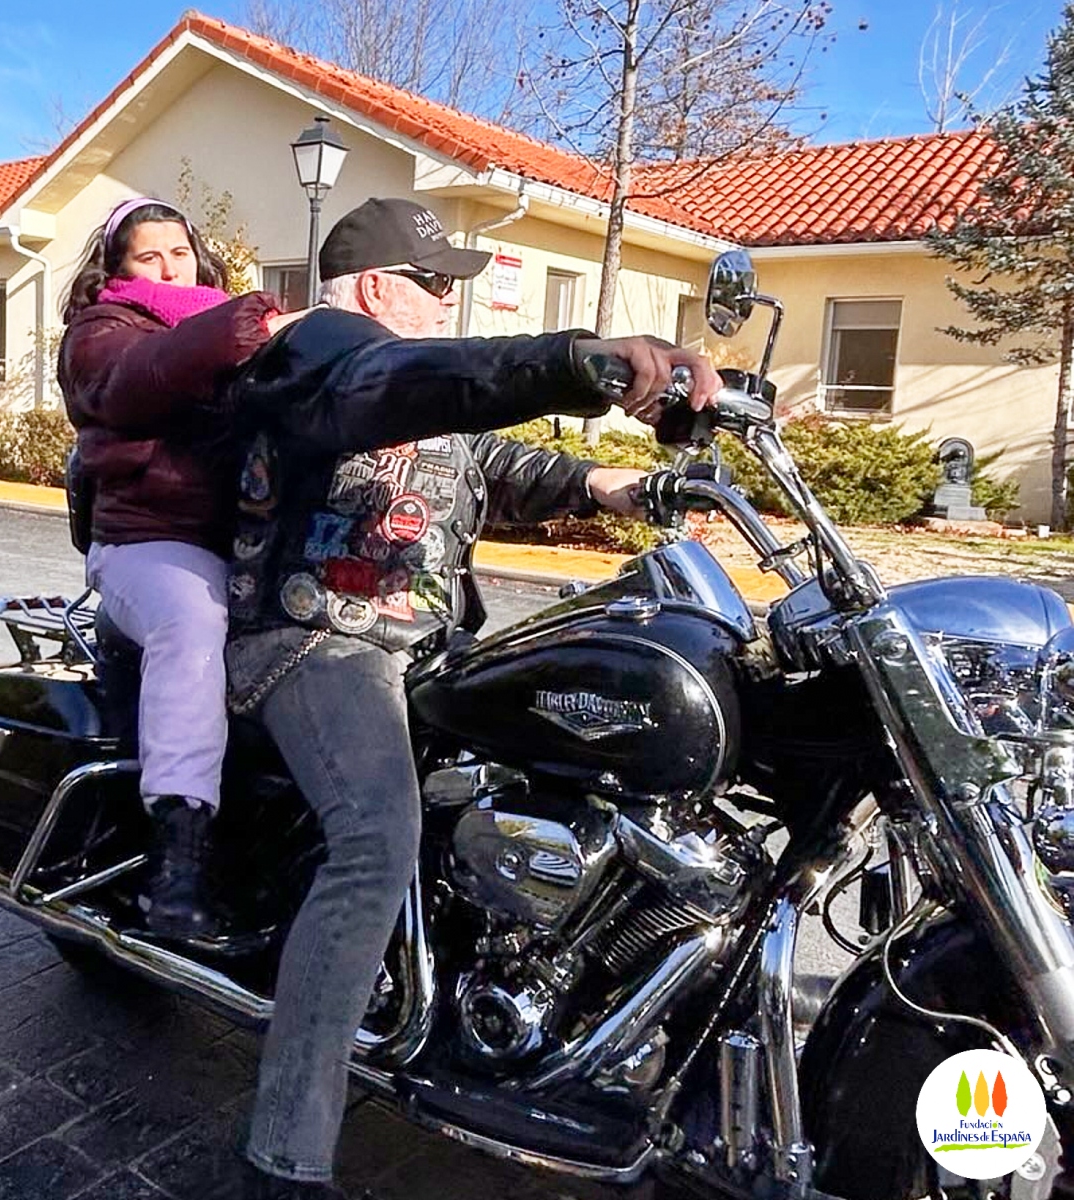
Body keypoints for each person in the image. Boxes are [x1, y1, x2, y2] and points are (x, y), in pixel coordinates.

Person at [217, 197, 721, 1199]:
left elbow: (488, 461)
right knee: (375, 843)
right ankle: (285, 1153)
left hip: (421, 648)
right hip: (315, 637)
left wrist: (611, 484)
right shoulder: (319, 354)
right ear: (372, 286)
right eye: (434, 283)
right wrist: (582, 360)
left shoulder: (411, 393)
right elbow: (428, 381)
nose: (450, 302)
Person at [58, 196, 291, 940]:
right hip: (145, 544)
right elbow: (138, 378)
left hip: (244, 547)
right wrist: (246, 327)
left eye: (180, 253)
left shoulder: (228, 329)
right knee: (195, 621)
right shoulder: (103, 332)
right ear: (118, 267)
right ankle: (177, 854)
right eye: (149, 256)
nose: (168, 268)